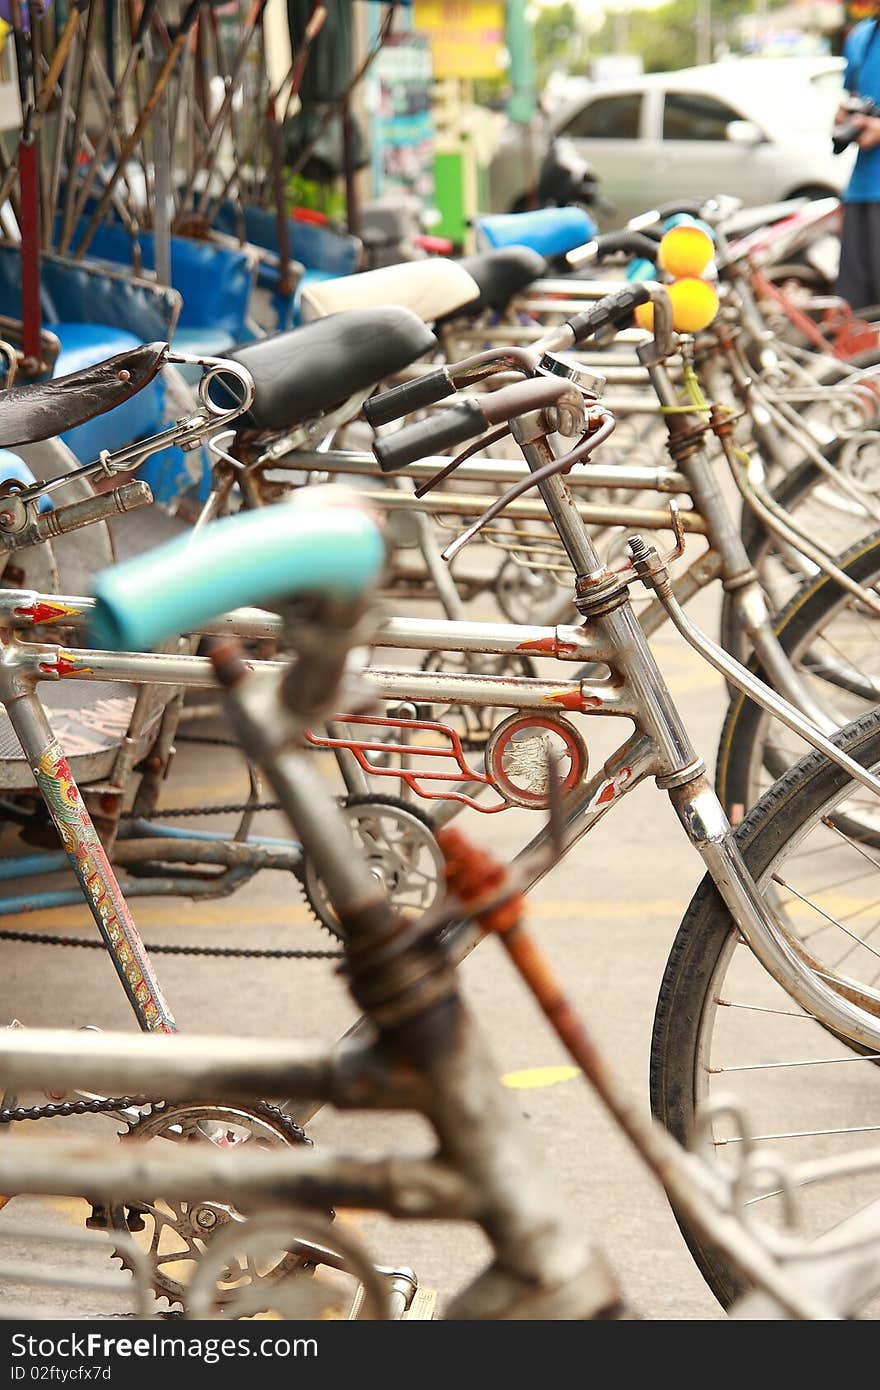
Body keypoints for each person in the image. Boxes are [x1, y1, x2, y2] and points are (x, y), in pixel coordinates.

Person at [836, 6, 880, 310]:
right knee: (857, 310)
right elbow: (849, 96)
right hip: (861, 190)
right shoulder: (861, 36)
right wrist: (844, 117)